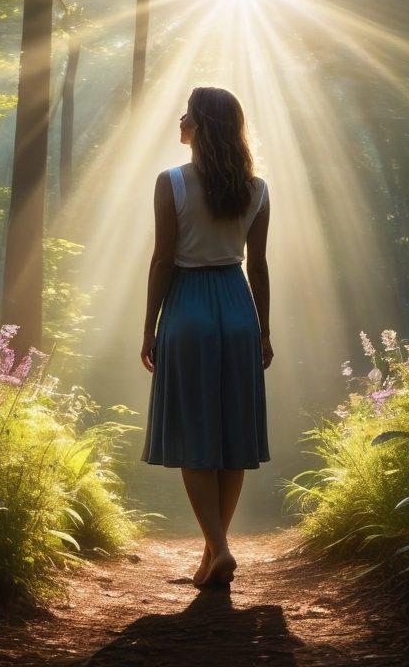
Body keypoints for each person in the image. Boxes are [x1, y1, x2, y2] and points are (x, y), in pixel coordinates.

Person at [140, 85, 272, 587]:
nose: (180, 119)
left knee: (196, 435)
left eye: (187, 114)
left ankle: (218, 549)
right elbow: (258, 266)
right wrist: (263, 330)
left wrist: (150, 326)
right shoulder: (256, 189)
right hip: (238, 309)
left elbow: (162, 260)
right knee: (232, 436)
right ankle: (212, 553)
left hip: (189, 308)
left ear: (198, 126)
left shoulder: (171, 182)